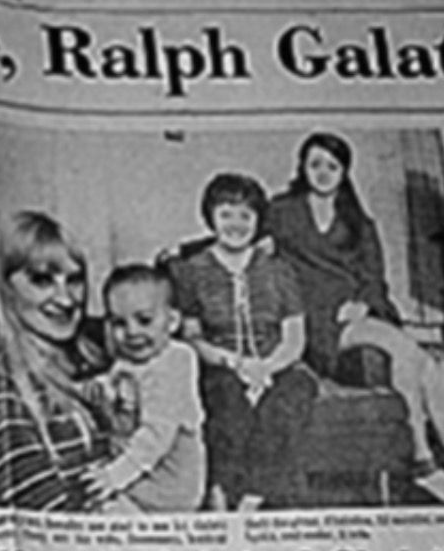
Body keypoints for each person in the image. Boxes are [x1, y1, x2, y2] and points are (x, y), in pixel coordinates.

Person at [269, 132, 444, 500]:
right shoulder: (282, 211)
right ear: (302, 166)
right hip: (312, 321)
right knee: (418, 357)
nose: (323, 172)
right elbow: (235, 233)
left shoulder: (359, 223)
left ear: (344, 171)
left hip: (353, 315)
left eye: (332, 166)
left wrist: (364, 302)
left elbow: (374, 279)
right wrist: (181, 252)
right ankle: (424, 458)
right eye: (315, 163)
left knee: (418, 360)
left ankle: (423, 455)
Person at [169, 172, 314, 512]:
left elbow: (295, 338)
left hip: (276, 363)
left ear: (258, 220)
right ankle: (219, 493)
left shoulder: (280, 270)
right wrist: (234, 363)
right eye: (226, 214)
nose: (236, 224)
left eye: (246, 215)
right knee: (226, 401)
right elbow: (192, 338)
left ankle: (252, 498)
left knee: (294, 395)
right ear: (211, 218)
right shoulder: (191, 270)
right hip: (220, 364)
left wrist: (266, 368)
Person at [0, 211, 110, 512]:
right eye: (42, 280)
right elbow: (53, 521)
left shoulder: (90, 358)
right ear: (5, 288)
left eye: (75, 280)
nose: (66, 299)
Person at [83, 264, 206, 514]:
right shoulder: (128, 360)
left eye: (144, 320)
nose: (131, 332)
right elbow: (119, 383)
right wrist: (98, 388)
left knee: (103, 509)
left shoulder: (176, 361)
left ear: (172, 321)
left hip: (169, 486)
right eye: (119, 323)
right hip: (136, 475)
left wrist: (115, 476)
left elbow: (156, 434)